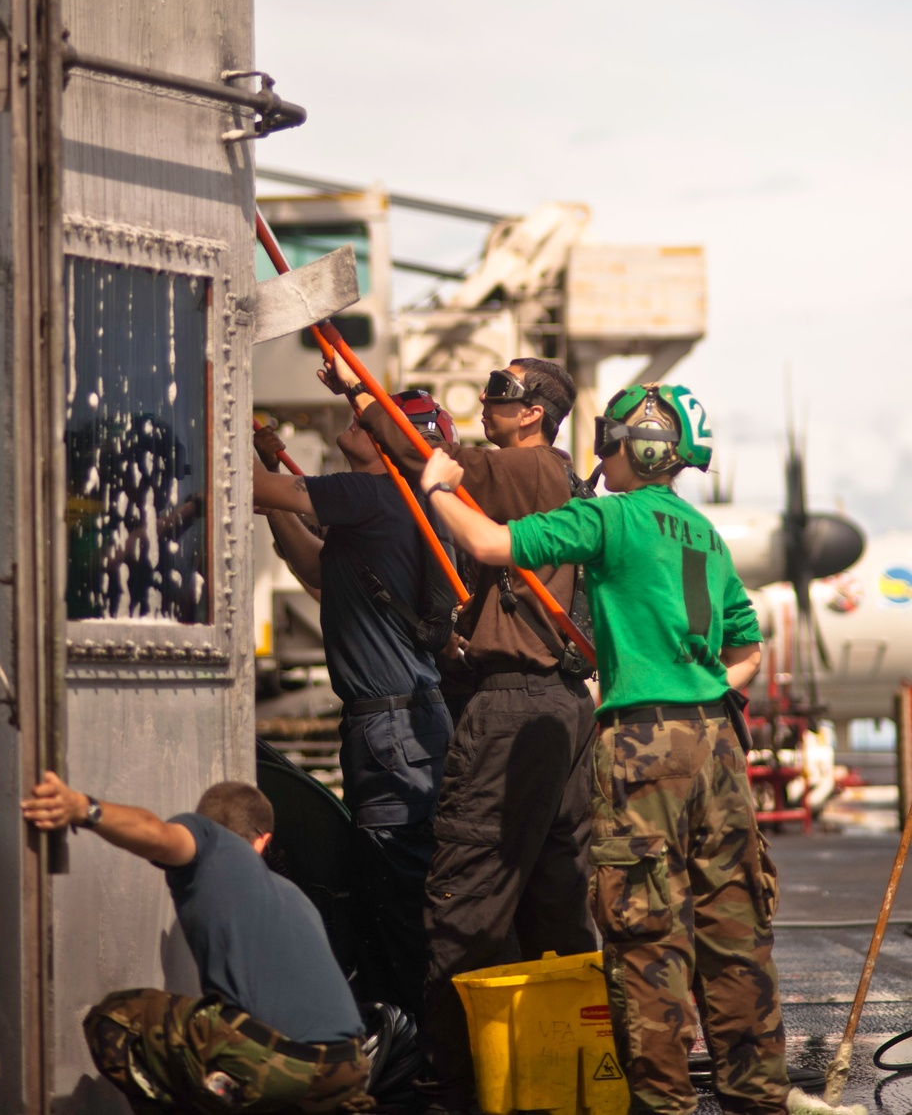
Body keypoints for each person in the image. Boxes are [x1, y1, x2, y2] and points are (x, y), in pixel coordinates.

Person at [417, 381, 867, 1115]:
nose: (603, 451)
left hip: (641, 741)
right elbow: (745, 649)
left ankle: (663, 1103)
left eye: (612, 438)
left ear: (636, 446)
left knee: (646, 933)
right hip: (718, 740)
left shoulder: (609, 517)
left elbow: (490, 542)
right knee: (733, 925)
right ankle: (756, 1090)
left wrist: (439, 486)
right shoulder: (704, 534)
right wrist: (699, 687)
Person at [320, 355, 597, 1115]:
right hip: (560, 706)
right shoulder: (547, 478)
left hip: (513, 705)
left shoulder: (528, 467)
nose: (485, 402)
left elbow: (425, 458)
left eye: (502, 395)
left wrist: (359, 394)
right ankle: (565, 1074)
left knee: (463, 899)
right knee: (554, 901)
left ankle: (449, 1088)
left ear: (536, 412)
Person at [252, 393, 459, 1019]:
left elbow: (266, 491)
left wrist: (242, 452)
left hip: (390, 727)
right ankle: (415, 1039)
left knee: (395, 891)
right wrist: (272, 488)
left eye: (370, 422)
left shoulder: (371, 493)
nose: (355, 422)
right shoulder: (385, 505)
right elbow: (313, 565)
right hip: (396, 722)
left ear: (396, 442)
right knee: (390, 885)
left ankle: (421, 1049)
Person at [21, 771, 370, 1115]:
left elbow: (159, 835)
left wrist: (84, 808)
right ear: (265, 841)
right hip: (346, 1070)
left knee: (115, 1020)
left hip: (277, 1064)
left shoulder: (214, 841)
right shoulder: (295, 898)